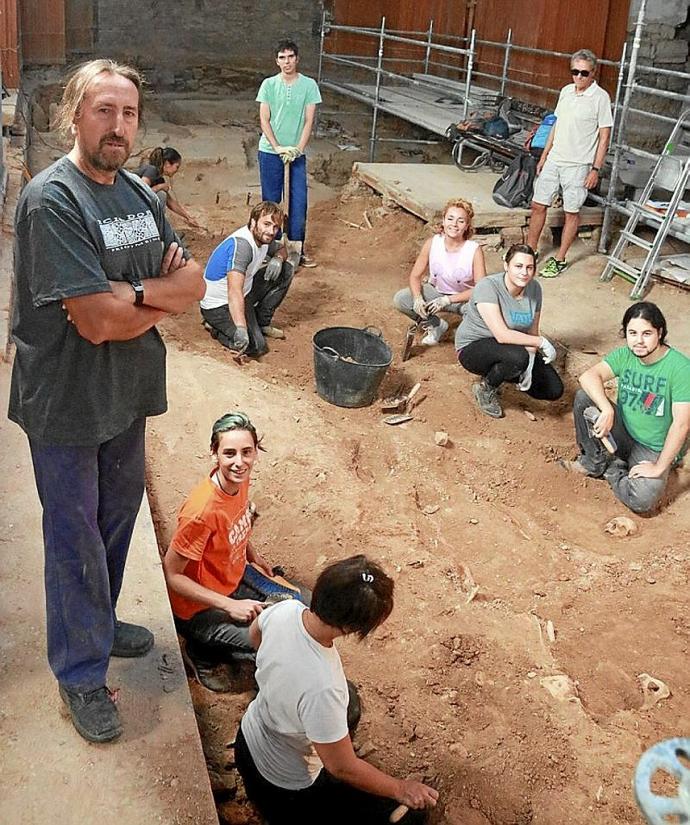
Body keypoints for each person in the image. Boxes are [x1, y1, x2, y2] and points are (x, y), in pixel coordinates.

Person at [7, 59, 205, 743]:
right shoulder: (52, 200)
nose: (118, 125)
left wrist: (135, 297)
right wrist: (148, 297)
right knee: (74, 538)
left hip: (125, 392)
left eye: (128, 113)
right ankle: (80, 672)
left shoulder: (140, 197)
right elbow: (92, 321)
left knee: (117, 519)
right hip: (64, 400)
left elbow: (194, 285)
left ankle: (100, 618)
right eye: (104, 110)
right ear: (74, 114)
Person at [234, 555, 439, 824]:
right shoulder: (323, 686)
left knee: (348, 702)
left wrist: (282, 675)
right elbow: (341, 768)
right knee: (407, 817)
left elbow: (254, 635)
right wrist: (401, 788)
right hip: (283, 788)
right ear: (353, 627)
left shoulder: (285, 610)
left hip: (247, 742)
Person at [163, 412, 306, 692]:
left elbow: (238, 520)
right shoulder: (201, 511)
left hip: (233, 579)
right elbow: (171, 575)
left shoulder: (238, 480)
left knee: (303, 605)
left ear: (255, 453)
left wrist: (254, 557)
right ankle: (202, 652)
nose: (239, 462)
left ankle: (227, 640)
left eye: (246, 452)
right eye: (229, 453)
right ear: (214, 454)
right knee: (276, 642)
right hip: (198, 610)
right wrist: (230, 606)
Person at [562, 302, 690, 514]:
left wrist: (659, 467)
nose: (639, 341)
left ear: (660, 333)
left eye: (646, 333)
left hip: (653, 448)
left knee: (643, 500)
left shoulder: (680, 369)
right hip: (623, 431)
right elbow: (588, 376)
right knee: (585, 397)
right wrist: (608, 409)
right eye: (632, 333)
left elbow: (682, 425)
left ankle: (614, 469)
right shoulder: (625, 355)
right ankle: (593, 462)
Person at [527, 49, 613, 278]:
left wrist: (595, 168)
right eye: (575, 72)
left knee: (571, 212)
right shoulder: (566, 91)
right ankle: (529, 251)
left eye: (584, 73)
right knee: (538, 204)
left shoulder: (600, 98)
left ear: (593, 73)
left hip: (579, 164)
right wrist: (545, 155)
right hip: (555, 158)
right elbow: (557, 124)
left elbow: (604, 136)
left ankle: (560, 258)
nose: (579, 77)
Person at [456, 244, 564, 418]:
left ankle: (506, 370)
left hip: (511, 348)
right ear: (506, 266)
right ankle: (486, 388)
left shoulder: (535, 289)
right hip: (473, 347)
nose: (524, 273)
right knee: (517, 357)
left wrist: (530, 363)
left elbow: (532, 331)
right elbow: (502, 334)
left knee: (553, 389)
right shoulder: (488, 287)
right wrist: (541, 343)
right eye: (518, 266)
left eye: (530, 268)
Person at [200, 201, 296, 357]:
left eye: (275, 227)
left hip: (245, 292)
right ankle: (214, 326)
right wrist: (241, 328)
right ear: (253, 222)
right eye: (266, 224)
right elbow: (234, 291)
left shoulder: (263, 238)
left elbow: (281, 249)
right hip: (219, 304)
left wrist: (278, 258)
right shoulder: (243, 246)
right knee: (255, 346)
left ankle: (261, 322)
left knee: (286, 270)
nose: (271, 231)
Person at [256, 38, 322, 267]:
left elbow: (308, 121)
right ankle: (270, 248)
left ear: (297, 59)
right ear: (277, 61)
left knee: (298, 200)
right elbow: (264, 120)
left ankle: (296, 248)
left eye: (291, 57)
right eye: (282, 57)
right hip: (270, 152)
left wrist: (297, 149)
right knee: (272, 201)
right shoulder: (268, 85)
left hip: (296, 153)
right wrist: (277, 147)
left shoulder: (309, 86)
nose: (287, 61)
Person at [393, 197, 487, 346]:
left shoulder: (474, 250)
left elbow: (482, 289)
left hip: (463, 300)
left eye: (460, 221)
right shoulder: (432, 243)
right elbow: (415, 276)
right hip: (436, 293)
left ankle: (465, 331)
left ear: (467, 225)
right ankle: (436, 325)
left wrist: (448, 300)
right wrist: (418, 298)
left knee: (482, 316)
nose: (454, 224)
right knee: (401, 299)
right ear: (443, 221)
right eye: (450, 218)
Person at [135, 146, 202, 228]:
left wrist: (188, 217)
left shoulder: (159, 178)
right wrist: (159, 187)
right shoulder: (151, 170)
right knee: (161, 195)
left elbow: (170, 202)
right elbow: (139, 193)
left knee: (163, 195)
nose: (176, 170)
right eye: (176, 166)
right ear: (167, 163)